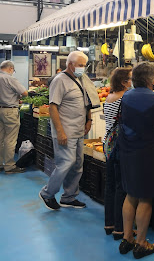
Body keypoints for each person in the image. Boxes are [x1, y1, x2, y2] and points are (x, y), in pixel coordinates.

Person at [117, 62, 154, 258]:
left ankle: (128, 238)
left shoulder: (126, 96)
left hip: (126, 150)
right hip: (145, 153)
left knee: (130, 194)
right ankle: (142, 243)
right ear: (151, 79)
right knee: (145, 197)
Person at [39, 51, 92, 211]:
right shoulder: (59, 80)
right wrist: (60, 131)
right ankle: (47, 193)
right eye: (81, 65)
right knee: (65, 164)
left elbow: (86, 100)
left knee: (77, 165)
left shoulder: (79, 79)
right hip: (65, 131)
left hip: (78, 131)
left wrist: (88, 120)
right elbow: (53, 107)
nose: (83, 68)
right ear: (70, 65)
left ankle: (69, 197)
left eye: (84, 65)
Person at [103, 67, 132, 240]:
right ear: (123, 82)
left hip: (109, 145)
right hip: (121, 145)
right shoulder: (125, 97)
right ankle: (120, 229)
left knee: (110, 185)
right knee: (122, 187)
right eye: (130, 79)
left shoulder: (109, 97)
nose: (132, 81)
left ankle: (109, 224)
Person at [0, 60, 28, 174]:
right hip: (9, 111)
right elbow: (24, 92)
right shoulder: (10, 78)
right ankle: (9, 166)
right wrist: (17, 95)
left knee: (0, 138)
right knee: (10, 139)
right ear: (10, 68)